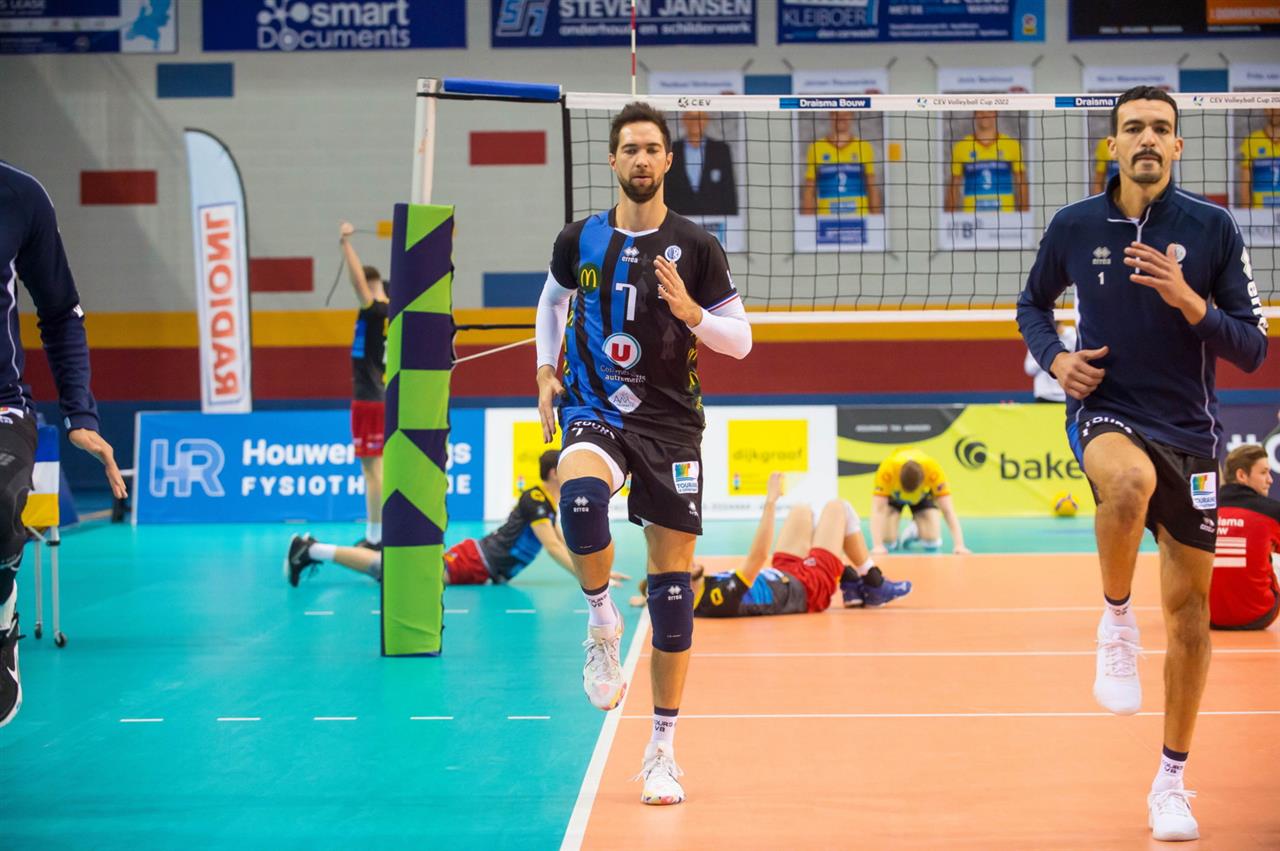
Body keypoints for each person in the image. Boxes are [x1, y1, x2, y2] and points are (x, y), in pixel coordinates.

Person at [1017, 85, 1268, 841]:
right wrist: (1056, 359)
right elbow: (1031, 305)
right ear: (1114, 144)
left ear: (1178, 145)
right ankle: (1118, 620)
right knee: (1127, 482)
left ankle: (1170, 782)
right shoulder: (1075, 225)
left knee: (1191, 617)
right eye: (1134, 128)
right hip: (1107, 408)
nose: (1148, 139)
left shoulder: (1213, 227)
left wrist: (1192, 301)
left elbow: (1252, 348)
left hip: (1191, 429)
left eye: (1161, 128)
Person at [535, 101, 752, 805]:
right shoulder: (579, 239)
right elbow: (551, 303)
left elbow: (741, 341)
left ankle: (662, 749)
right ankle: (601, 616)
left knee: (671, 593)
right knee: (579, 501)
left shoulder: (697, 245)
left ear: (667, 160)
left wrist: (695, 315)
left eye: (652, 149)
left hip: (671, 428)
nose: (641, 159)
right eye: (629, 148)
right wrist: (545, 370)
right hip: (595, 409)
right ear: (613, 160)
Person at [0, 161, 128, 728]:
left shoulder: (19, 195)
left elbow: (59, 311)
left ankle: (2, 615)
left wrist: (79, 412)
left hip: (2, 404)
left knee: (1, 501)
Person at [285, 450, 629, 588]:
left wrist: (598, 569)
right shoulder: (536, 499)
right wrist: (590, 580)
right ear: (554, 473)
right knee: (397, 573)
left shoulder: (548, 502)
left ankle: (313, 550)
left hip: (483, 565)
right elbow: (553, 547)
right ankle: (311, 549)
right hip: (478, 560)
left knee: (400, 574)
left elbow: (563, 542)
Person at [630, 472, 911, 614]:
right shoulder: (718, 598)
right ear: (682, 585)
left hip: (785, 573)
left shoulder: (696, 593)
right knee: (839, 508)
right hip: (808, 588)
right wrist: (771, 500)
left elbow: (664, 595)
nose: (689, 559)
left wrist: (647, 598)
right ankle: (872, 582)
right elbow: (759, 555)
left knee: (801, 510)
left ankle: (849, 584)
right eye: (684, 565)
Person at [339, 221, 387, 550]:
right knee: (380, 470)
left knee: (373, 472)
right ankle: (382, 532)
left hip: (369, 399)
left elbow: (357, 280)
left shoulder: (374, 311)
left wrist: (345, 243)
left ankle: (375, 537)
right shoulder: (393, 312)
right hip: (382, 397)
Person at [1210, 444, 1280, 631]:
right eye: (1264, 473)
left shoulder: (1205, 509)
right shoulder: (1272, 511)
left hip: (1207, 616)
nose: (1270, 480)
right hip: (1259, 615)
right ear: (1242, 475)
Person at [869, 447, 970, 555]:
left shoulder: (933, 471)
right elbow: (878, 510)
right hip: (895, 497)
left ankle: (915, 529)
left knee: (932, 542)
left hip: (921, 497)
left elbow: (948, 510)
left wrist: (959, 545)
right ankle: (893, 533)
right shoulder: (887, 470)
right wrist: (877, 545)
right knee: (888, 543)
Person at [800, 111, 883, 217]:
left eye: (846, 114)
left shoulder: (864, 147)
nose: (841, 118)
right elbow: (809, 189)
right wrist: (806, 222)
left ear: (852, 117)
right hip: (826, 219)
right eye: (837, 114)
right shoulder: (816, 148)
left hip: (858, 219)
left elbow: (872, 187)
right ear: (830, 116)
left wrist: (876, 220)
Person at [945, 110, 1029, 213]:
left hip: (1005, 217)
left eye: (989, 111)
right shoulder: (960, 147)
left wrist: (1025, 217)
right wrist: (948, 218)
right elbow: (954, 186)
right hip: (972, 218)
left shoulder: (1012, 145)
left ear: (996, 113)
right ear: (975, 114)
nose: (985, 115)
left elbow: (1021, 184)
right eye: (980, 112)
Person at [664, 111, 738, 217]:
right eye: (691, 117)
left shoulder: (721, 150)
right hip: (679, 218)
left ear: (707, 120)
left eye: (700, 117)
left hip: (713, 219)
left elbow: (729, 190)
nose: (695, 121)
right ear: (683, 120)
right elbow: (665, 190)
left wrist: (732, 220)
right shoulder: (671, 149)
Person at [1236, 107, 1280, 209]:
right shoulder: (1251, 141)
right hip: (1260, 213)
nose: (1274, 111)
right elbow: (1245, 185)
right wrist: (1247, 215)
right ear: (1265, 110)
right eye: (1270, 107)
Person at [1024, 322, 1078, 402]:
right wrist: (1048, 356)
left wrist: (1065, 336)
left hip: (1070, 393)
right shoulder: (1038, 337)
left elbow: (1081, 357)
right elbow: (1029, 369)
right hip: (1045, 395)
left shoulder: (1072, 334)